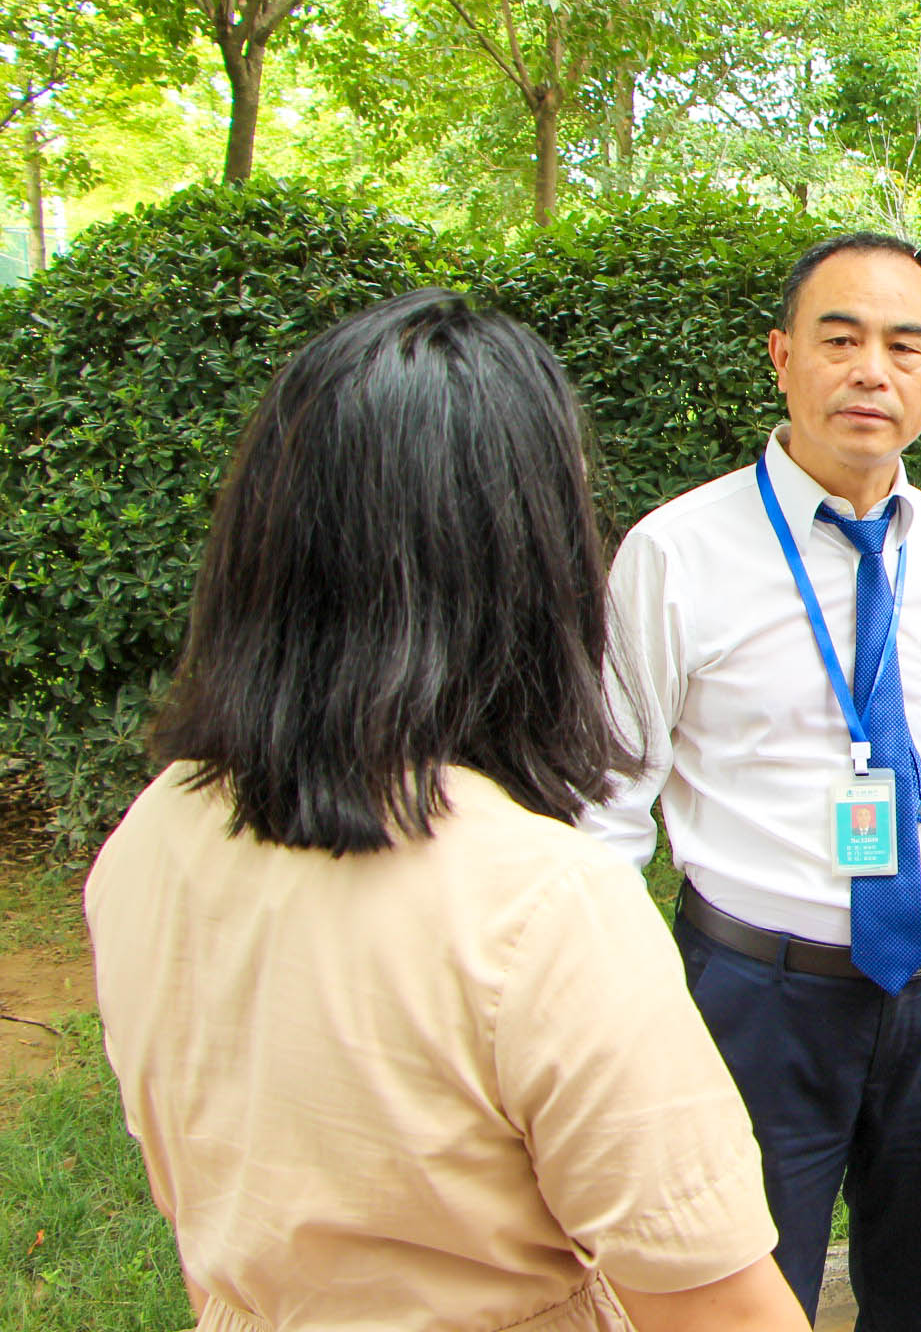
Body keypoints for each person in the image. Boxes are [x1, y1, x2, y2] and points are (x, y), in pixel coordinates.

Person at [86, 290, 808, 1332]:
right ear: (524, 560)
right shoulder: (541, 905)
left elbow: (205, 1212)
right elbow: (719, 1311)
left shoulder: (154, 832)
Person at [582, 235, 921, 1331]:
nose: (871, 372)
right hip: (757, 1002)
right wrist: (620, 1013)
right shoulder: (676, 554)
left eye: (904, 346)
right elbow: (607, 810)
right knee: (745, 1299)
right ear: (782, 356)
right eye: (839, 339)